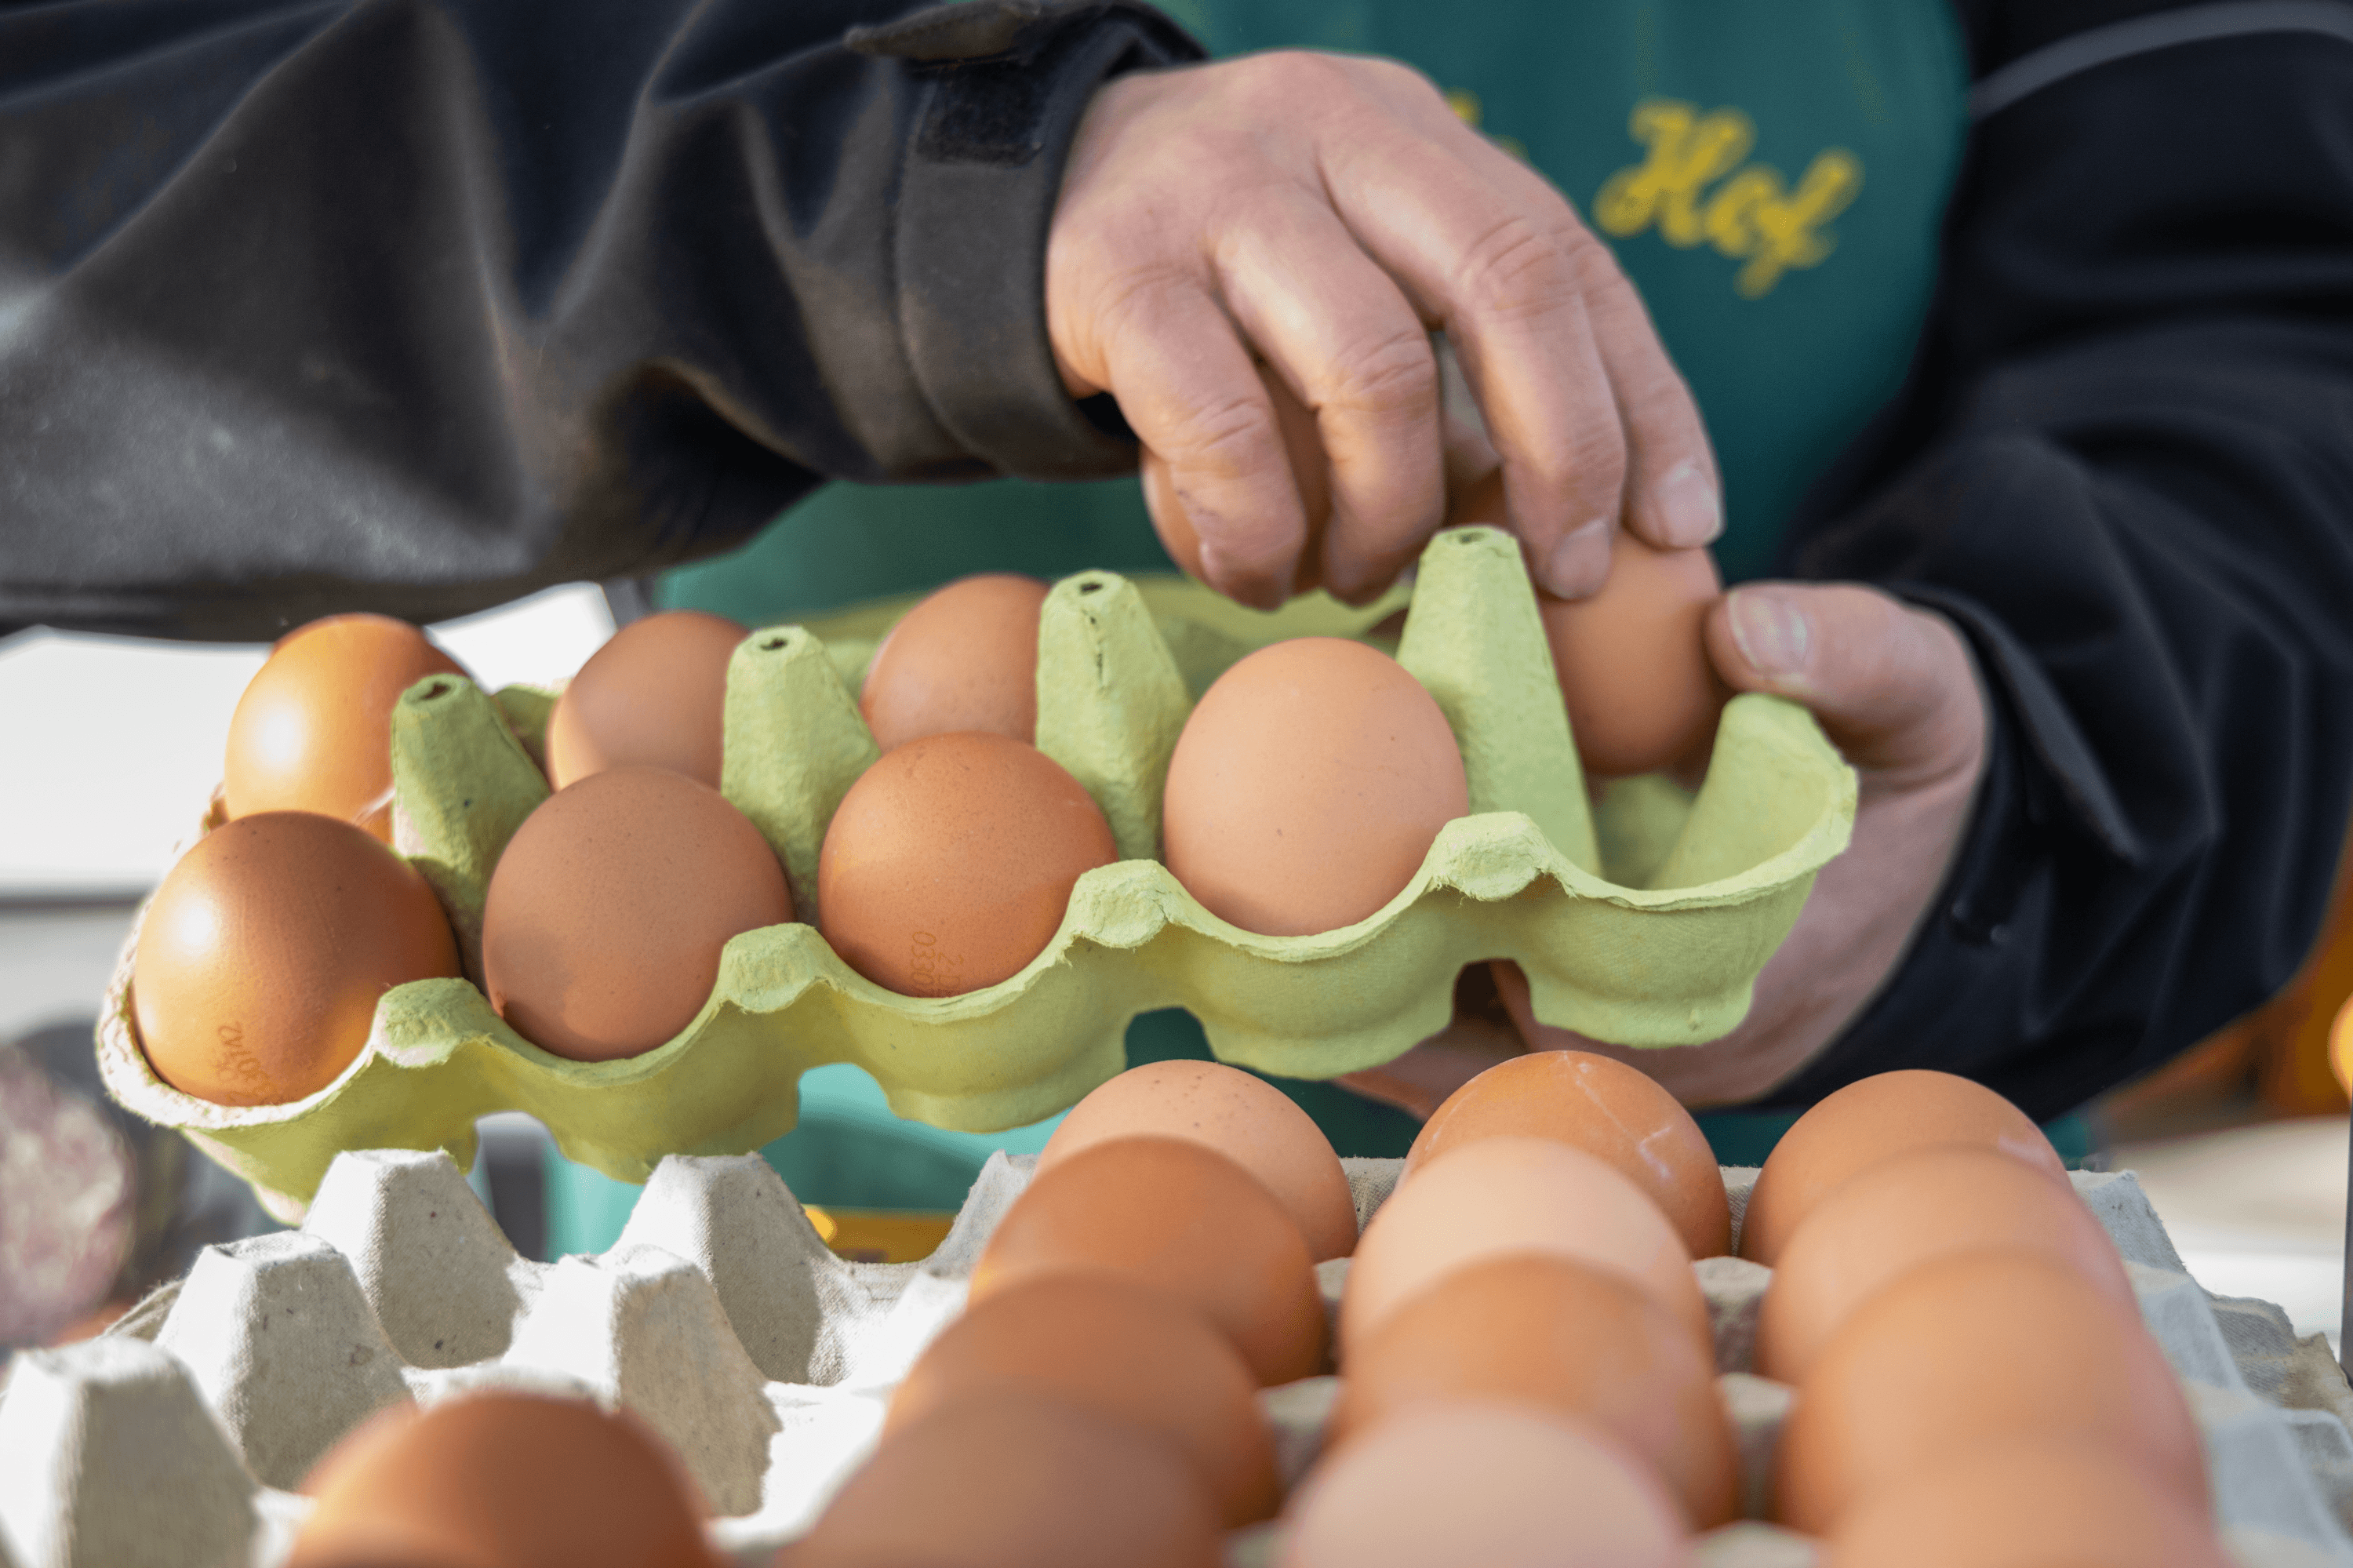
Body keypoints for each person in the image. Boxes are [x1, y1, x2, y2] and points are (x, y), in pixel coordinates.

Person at [5, 0, 2351, 1173]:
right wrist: (920, 203)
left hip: (1786, 1262)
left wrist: (2048, 758)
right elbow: (66, 203)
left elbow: (2253, 330)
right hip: (804, 1290)